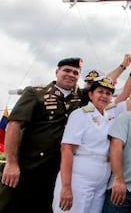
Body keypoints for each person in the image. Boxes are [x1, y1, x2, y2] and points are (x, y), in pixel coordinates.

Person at [52, 59, 131, 213]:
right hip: (80, 177)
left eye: (108, 93)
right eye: (100, 92)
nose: (104, 96)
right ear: (91, 94)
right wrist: (66, 187)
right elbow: (66, 150)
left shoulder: (110, 113)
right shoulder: (80, 115)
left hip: (101, 179)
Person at [0, 58, 84, 212]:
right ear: (57, 72)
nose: (71, 74)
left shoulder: (80, 97)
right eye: (66, 70)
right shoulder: (36, 93)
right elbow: (14, 125)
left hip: (58, 171)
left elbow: (104, 84)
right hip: (30, 167)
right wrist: (11, 163)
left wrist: (125, 66)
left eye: (75, 72)